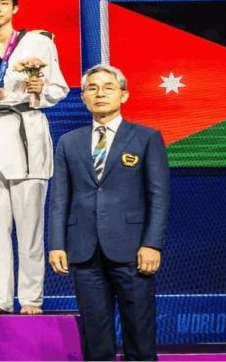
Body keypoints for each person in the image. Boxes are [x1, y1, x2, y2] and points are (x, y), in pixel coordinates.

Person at [48, 64, 169, 361]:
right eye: (92, 88)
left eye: (108, 87)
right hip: (83, 251)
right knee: (95, 337)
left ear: (124, 95)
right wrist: (57, 244)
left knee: (139, 335)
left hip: (133, 250)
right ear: (83, 97)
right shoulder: (68, 142)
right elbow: (60, 198)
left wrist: (152, 244)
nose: (99, 93)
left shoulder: (146, 138)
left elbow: (158, 196)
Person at [0, 0, 68, 314]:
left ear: (15, 8)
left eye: (3, 3)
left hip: (27, 136)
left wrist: (42, 88)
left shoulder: (39, 43)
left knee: (30, 228)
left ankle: (30, 298)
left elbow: (60, 88)